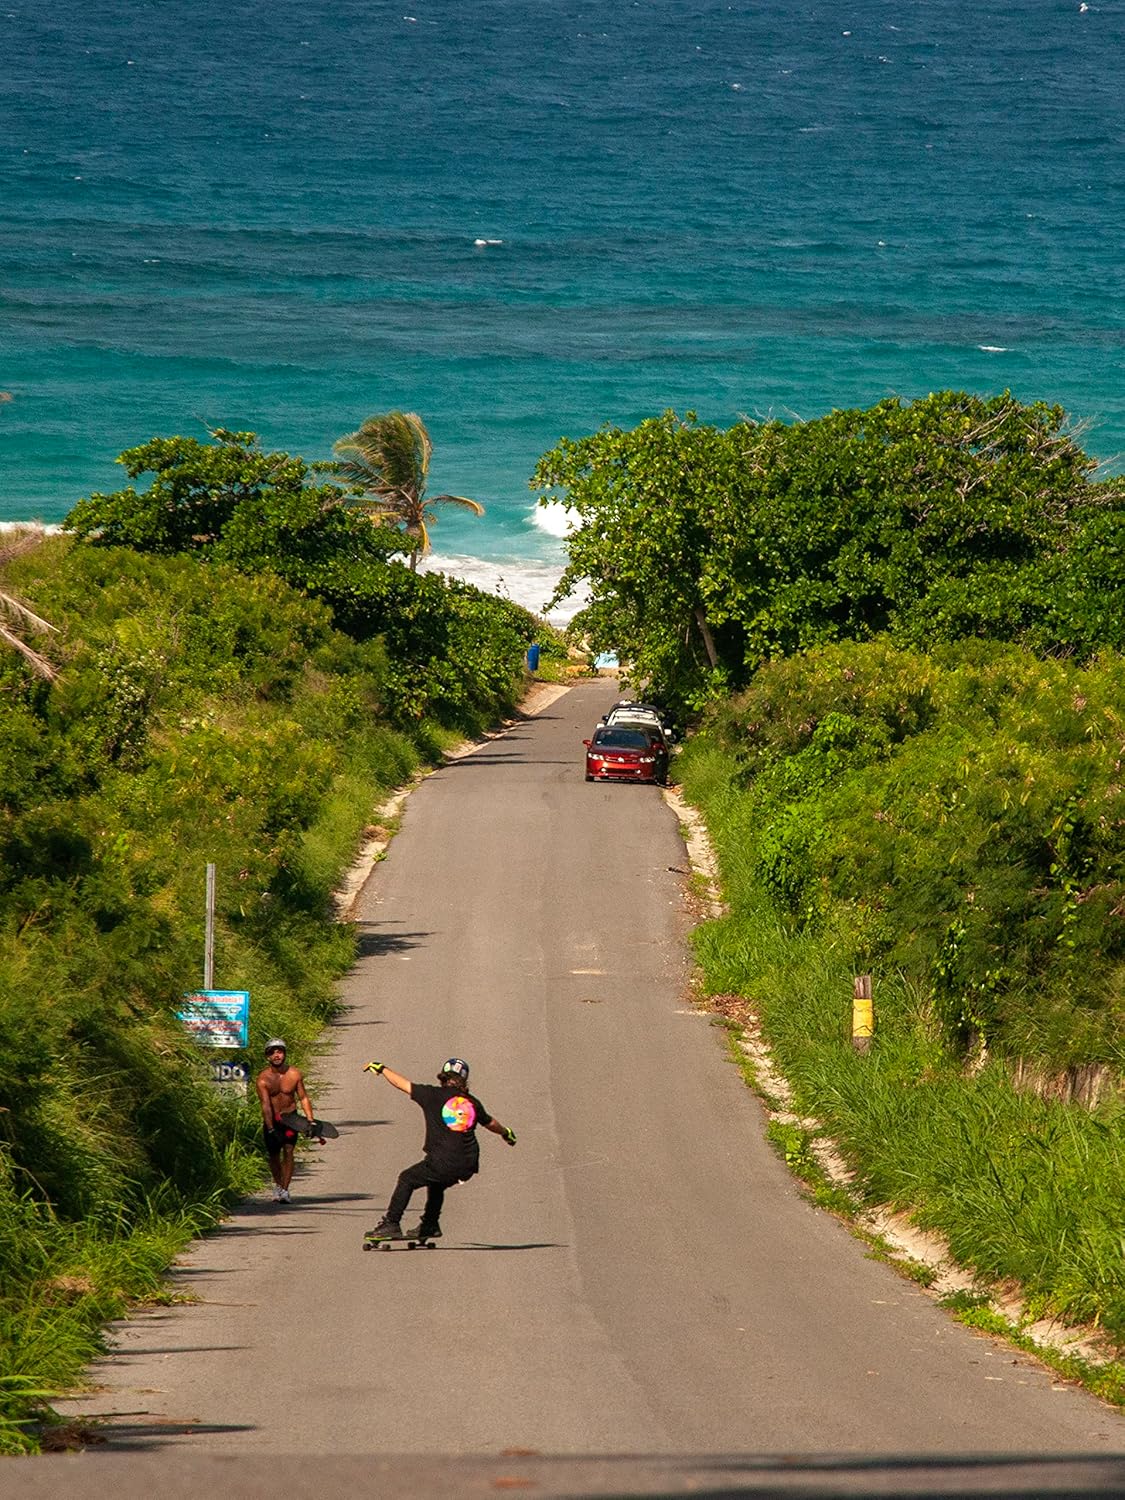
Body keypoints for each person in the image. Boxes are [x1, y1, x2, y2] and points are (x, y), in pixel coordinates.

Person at [361, 1056, 515, 1240]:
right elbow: (490, 1122)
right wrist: (506, 1133)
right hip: (467, 1163)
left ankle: (391, 1223)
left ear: (442, 1077)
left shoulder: (431, 1095)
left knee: (407, 1178)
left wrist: (382, 1069)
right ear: (464, 1080)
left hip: (443, 1161)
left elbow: (403, 1084)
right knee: (437, 1183)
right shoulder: (471, 1102)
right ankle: (430, 1224)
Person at [255, 1038, 316, 1203]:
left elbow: (303, 1097)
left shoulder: (294, 1074)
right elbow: (266, 1106)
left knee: (288, 1151)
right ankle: (278, 1184)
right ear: (267, 1057)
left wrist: (310, 1120)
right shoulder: (263, 1079)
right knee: (274, 1155)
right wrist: (270, 1128)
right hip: (273, 1120)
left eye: (279, 1051)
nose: (276, 1055)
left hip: (291, 1120)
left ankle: (285, 1189)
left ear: (285, 1054)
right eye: (272, 1052)